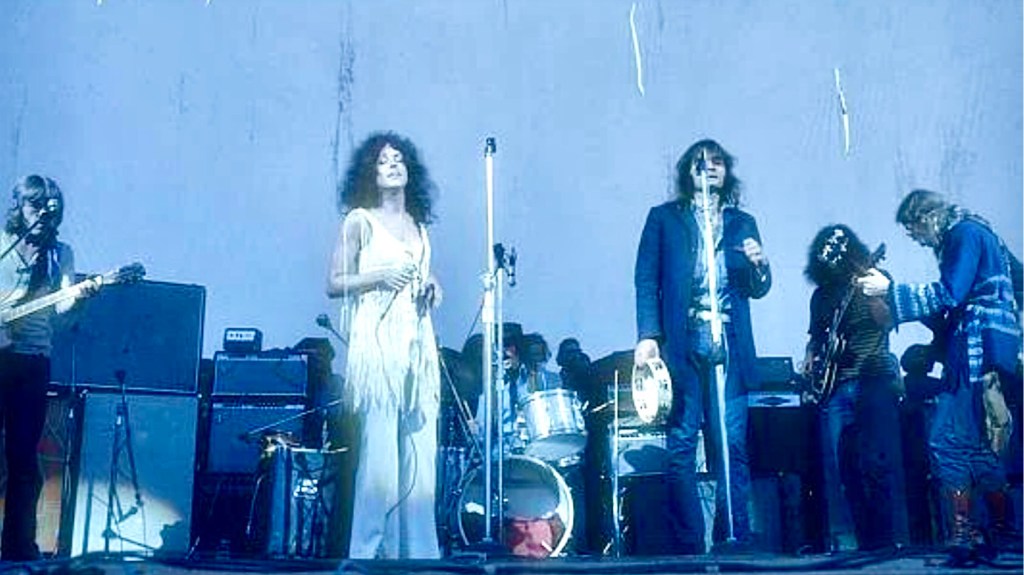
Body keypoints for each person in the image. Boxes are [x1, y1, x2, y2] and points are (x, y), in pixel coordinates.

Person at [858, 189, 1021, 564]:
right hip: (985, 351)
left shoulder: (964, 233)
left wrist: (890, 291)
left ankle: (967, 534)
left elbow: (950, 293)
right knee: (976, 446)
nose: (916, 239)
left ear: (925, 217)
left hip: (974, 354)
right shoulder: (980, 231)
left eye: (913, 230)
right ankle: (1002, 529)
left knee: (945, 440)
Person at [633, 139, 770, 553]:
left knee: (732, 442)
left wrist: (761, 266)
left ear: (727, 171)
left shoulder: (743, 222)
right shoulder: (663, 219)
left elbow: (757, 288)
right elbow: (646, 279)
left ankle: (734, 536)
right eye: (699, 162)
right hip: (684, 338)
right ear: (686, 171)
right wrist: (648, 336)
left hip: (729, 338)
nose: (708, 167)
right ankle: (688, 543)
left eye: (717, 162)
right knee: (682, 444)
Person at [327, 132, 442, 559]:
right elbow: (334, 282)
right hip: (378, 348)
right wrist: (379, 276)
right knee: (380, 461)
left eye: (398, 158)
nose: (392, 165)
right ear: (370, 174)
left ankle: (420, 554)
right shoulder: (360, 221)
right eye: (382, 160)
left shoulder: (419, 226)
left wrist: (432, 286)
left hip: (418, 347)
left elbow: (425, 274)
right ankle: (367, 553)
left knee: (421, 457)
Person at [802, 224, 907, 552]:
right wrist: (811, 361)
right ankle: (856, 541)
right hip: (835, 388)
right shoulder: (821, 295)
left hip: (872, 379)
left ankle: (886, 540)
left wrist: (874, 295)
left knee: (876, 462)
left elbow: (887, 322)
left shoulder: (875, 278)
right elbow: (816, 338)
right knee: (842, 468)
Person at [0, 175, 78, 561]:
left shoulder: (59, 254)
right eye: (36, 207)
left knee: (23, 458)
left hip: (32, 363)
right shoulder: (2, 246)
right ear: (20, 207)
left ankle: (18, 547)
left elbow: (62, 309)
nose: (45, 215)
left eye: (52, 209)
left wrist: (79, 296)